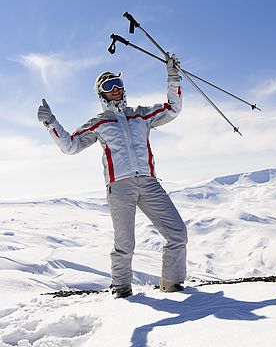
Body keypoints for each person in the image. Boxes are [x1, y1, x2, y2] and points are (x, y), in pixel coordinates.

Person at [37, 56, 188, 298]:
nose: (115, 89)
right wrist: (51, 122)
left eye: (117, 83)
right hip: (120, 187)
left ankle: (172, 284)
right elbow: (71, 146)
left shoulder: (141, 115)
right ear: (101, 94)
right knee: (125, 243)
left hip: (149, 183)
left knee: (178, 233)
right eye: (108, 86)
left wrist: (173, 77)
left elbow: (172, 108)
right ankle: (121, 288)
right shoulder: (100, 123)